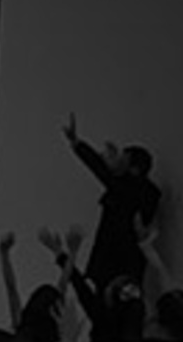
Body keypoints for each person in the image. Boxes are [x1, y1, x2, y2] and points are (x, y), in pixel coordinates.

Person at [63, 115, 161, 288]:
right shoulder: (143, 192)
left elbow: (101, 170)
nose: (116, 164)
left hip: (113, 265)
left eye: (122, 160)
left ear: (134, 170)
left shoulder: (129, 190)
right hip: (124, 267)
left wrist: (77, 144)